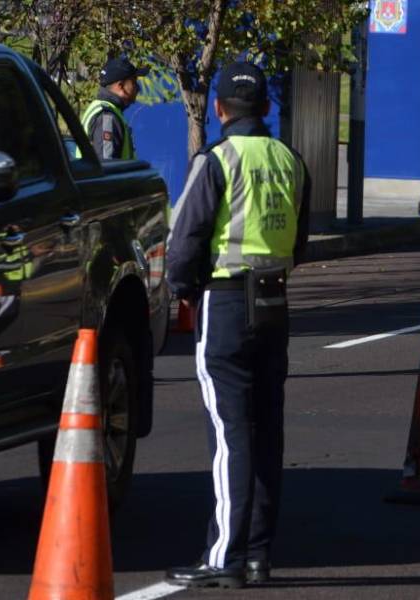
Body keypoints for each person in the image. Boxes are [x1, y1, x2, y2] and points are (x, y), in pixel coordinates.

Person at [164, 61, 310, 589]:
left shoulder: (216, 160)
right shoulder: (290, 160)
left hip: (224, 301)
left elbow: (184, 243)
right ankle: (257, 554)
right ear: (267, 107)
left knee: (230, 435)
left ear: (220, 109)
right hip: (275, 302)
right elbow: (300, 242)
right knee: (267, 428)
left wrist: (181, 289)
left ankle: (222, 556)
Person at [80, 57, 147, 160]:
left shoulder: (102, 108)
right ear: (120, 86)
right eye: (134, 82)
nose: (138, 88)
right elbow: (107, 166)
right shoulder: (107, 117)